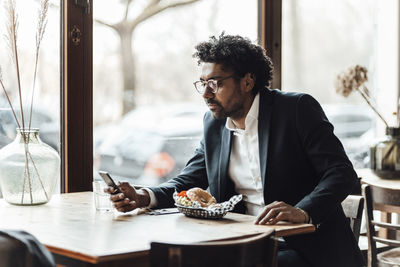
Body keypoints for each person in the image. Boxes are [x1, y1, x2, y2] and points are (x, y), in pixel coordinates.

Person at [107, 34, 364, 267]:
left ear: (248, 81)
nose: (206, 94)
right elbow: (190, 179)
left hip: (306, 249)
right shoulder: (214, 124)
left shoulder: (296, 109)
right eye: (203, 83)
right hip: (242, 243)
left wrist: (303, 211)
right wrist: (143, 196)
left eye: (215, 83)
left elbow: (341, 173)